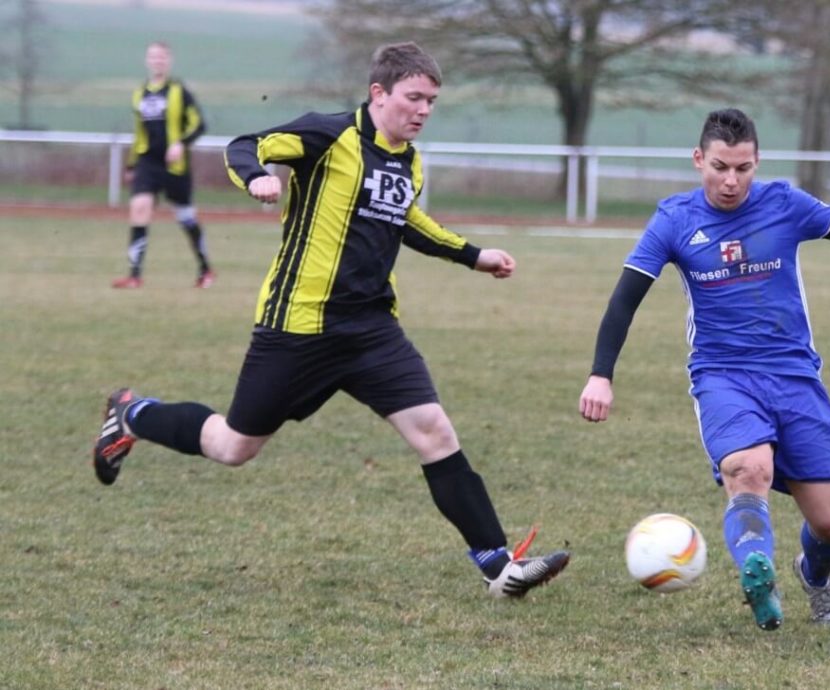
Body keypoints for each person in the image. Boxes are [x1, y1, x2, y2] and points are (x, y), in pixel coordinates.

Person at [94, 42, 569, 599]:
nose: (423, 110)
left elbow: (406, 220)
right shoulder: (328, 135)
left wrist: (474, 254)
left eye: (432, 101)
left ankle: (498, 565)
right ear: (379, 93)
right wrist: (256, 177)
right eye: (414, 97)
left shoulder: (408, 160)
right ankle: (132, 415)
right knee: (233, 447)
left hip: (371, 331)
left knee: (434, 431)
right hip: (298, 327)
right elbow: (245, 145)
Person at [578, 108, 830, 631]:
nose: (731, 181)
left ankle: (813, 575)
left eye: (743, 168)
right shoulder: (675, 219)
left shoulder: (783, 203)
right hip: (723, 374)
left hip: (794, 375)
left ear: (757, 163)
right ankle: (757, 569)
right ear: (698, 159)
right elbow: (624, 300)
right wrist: (601, 373)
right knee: (750, 470)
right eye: (721, 167)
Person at [112, 41, 215, 289]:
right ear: (147, 60)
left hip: (174, 166)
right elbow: (139, 133)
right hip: (147, 162)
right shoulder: (140, 93)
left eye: (162, 56)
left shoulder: (179, 91)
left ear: (169, 61)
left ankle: (205, 269)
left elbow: (199, 124)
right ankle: (134, 275)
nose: (157, 60)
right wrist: (131, 165)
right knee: (139, 208)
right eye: (153, 56)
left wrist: (181, 144)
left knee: (186, 217)